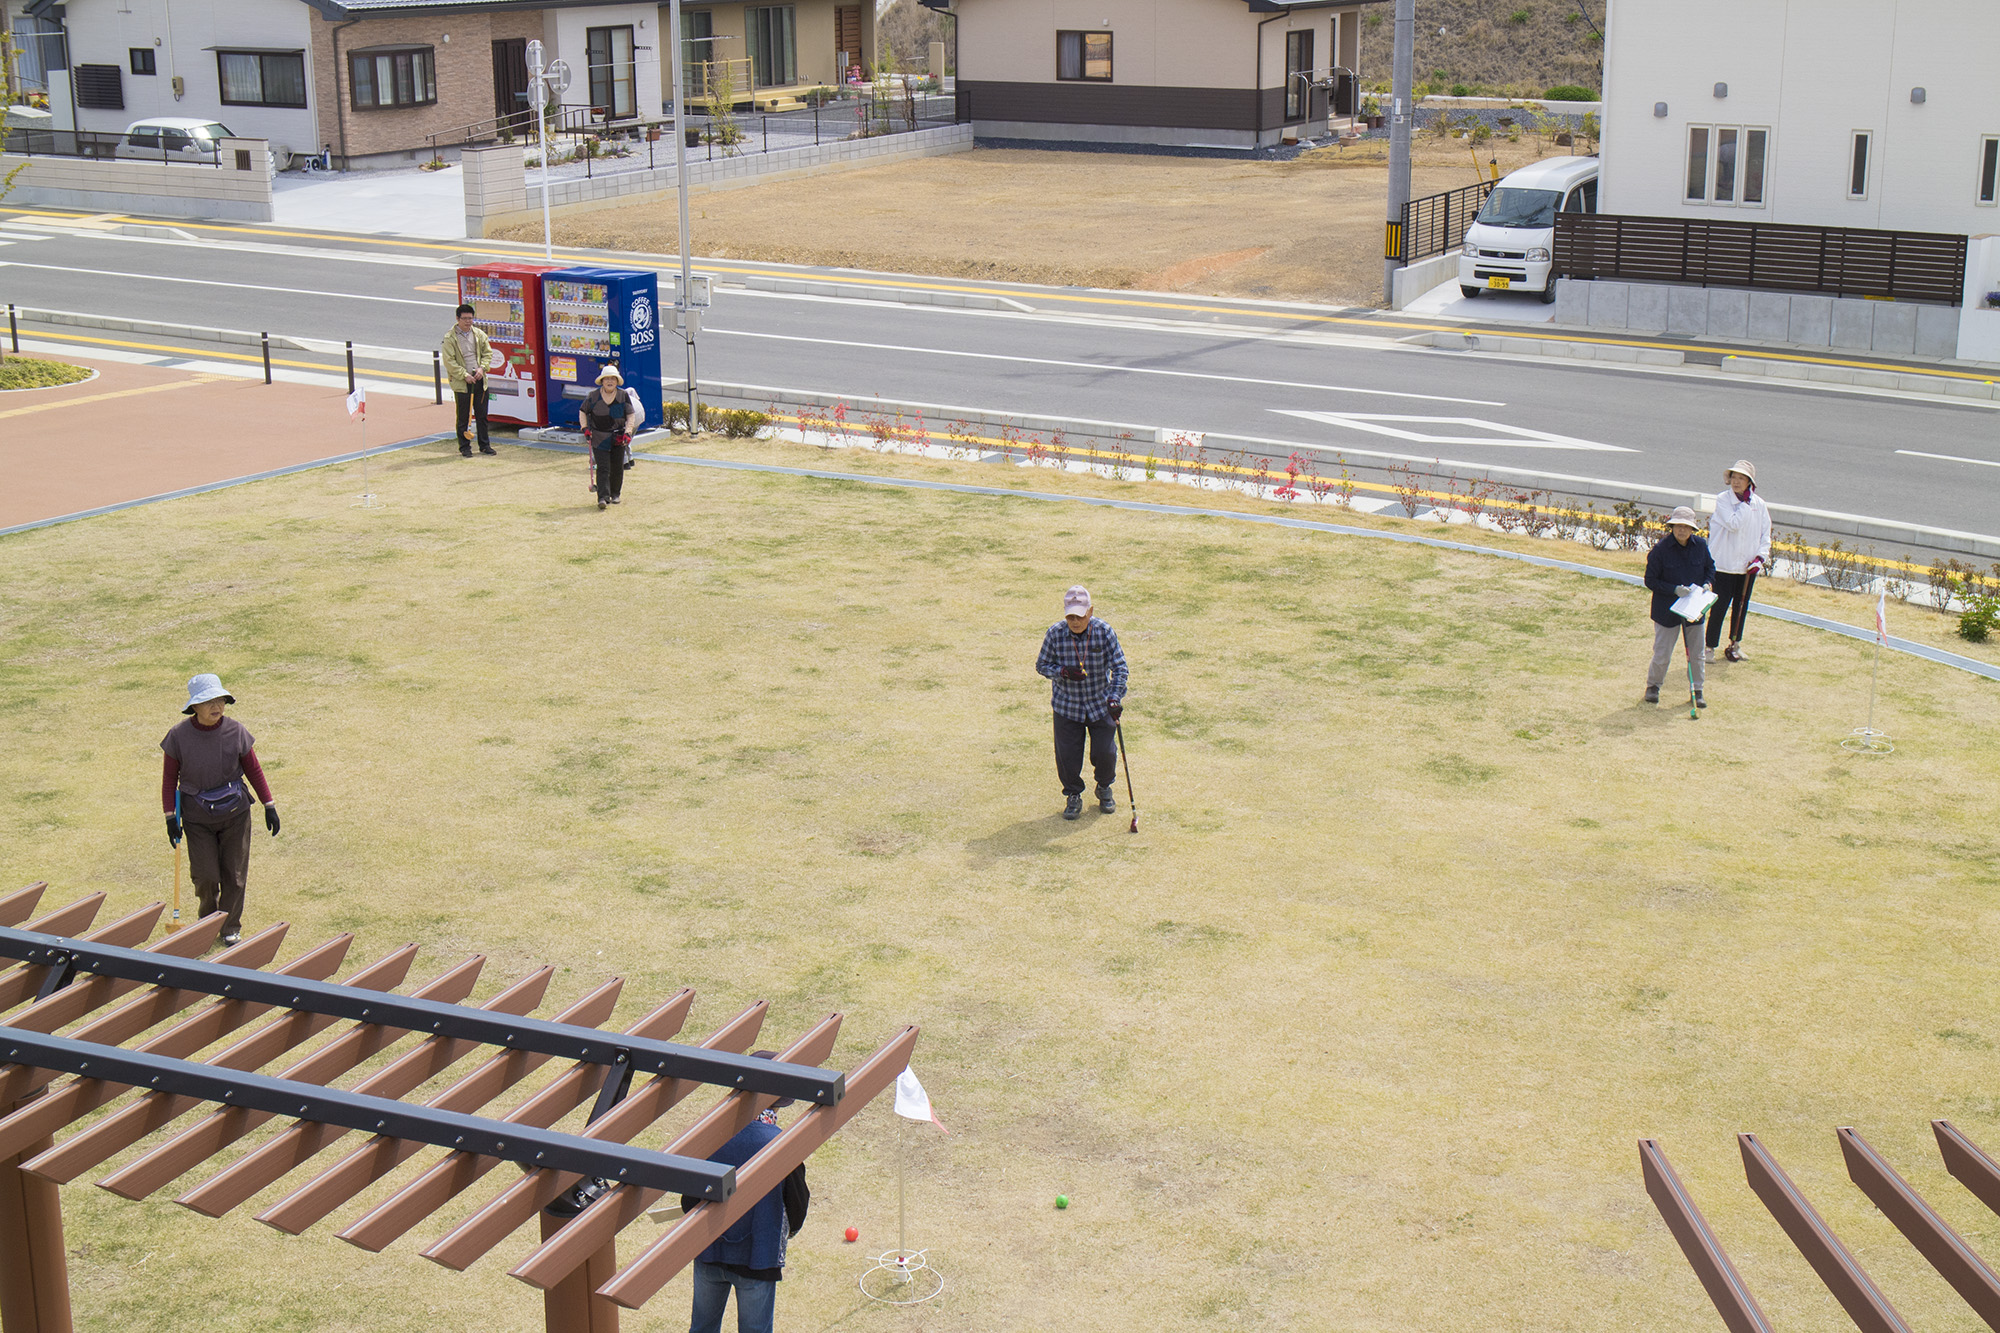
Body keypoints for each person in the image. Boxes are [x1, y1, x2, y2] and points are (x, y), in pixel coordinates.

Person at [680, 1052, 810, 1333]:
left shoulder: (711, 1135)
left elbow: (688, 1201)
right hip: (758, 1258)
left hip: (709, 1251)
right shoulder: (781, 1143)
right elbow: (798, 1207)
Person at [161, 674, 279, 947]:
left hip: (235, 815)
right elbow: (169, 780)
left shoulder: (236, 731)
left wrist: (268, 805)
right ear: (195, 707)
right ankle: (208, 922)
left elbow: (254, 770)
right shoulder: (178, 737)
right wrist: (170, 817)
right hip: (196, 819)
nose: (217, 706)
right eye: (209, 701)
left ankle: (229, 928)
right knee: (206, 877)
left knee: (234, 875)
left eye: (221, 700)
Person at [1034, 585, 1129, 820]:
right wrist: (1063, 672)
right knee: (1067, 756)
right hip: (1067, 707)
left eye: (1079, 615)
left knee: (1105, 753)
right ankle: (1073, 794)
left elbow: (1120, 668)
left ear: (1090, 611)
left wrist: (1115, 697)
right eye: (1070, 616)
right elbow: (1042, 665)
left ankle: (1104, 787)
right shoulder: (1055, 634)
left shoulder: (1105, 632)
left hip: (1100, 705)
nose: (1075, 621)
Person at [1643, 506, 1716, 708]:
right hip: (1667, 610)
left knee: (1697, 654)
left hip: (1694, 609)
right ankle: (1653, 686)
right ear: (1672, 527)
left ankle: (1697, 690)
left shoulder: (1700, 545)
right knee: (1662, 652)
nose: (1681, 530)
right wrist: (1673, 589)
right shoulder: (1660, 550)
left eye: (1686, 527)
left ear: (1692, 529)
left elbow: (1710, 567)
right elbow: (1650, 580)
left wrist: (1707, 583)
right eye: (1678, 526)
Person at [1705, 459, 1772, 663]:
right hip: (1724, 565)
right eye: (1734, 477)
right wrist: (1745, 503)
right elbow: (1734, 524)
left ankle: (1735, 644)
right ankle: (1709, 647)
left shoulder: (1759, 504)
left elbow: (1765, 534)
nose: (1736, 481)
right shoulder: (1723, 500)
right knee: (1719, 607)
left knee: (1741, 607)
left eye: (1741, 478)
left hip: (1746, 567)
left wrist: (1760, 558)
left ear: (1749, 481)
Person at [581, 366, 645, 509]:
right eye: (607, 379)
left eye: (612, 379)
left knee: (617, 467)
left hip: (618, 436)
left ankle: (615, 494)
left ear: (617, 381)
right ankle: (602, 497)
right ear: (602, 381)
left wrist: (628, 432)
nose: (609, 381)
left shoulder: (623, 396)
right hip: (599, 436)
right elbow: (583, 411)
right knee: (603, 467)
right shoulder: (593, 396)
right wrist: (585, 428)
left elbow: (630, 415)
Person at [441, 303, 496, 458]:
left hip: (479, 379)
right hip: (462, 382)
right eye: (464, 318)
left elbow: (488, 353)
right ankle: (465, 447)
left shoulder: (479, 334)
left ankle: (485, 445)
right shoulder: (450, 338)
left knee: (482, 415)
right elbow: (449, 361)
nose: (468, 322)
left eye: (470, 318)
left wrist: (482, 368)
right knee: (464, 417)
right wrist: (464, 374)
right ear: (457, 319)